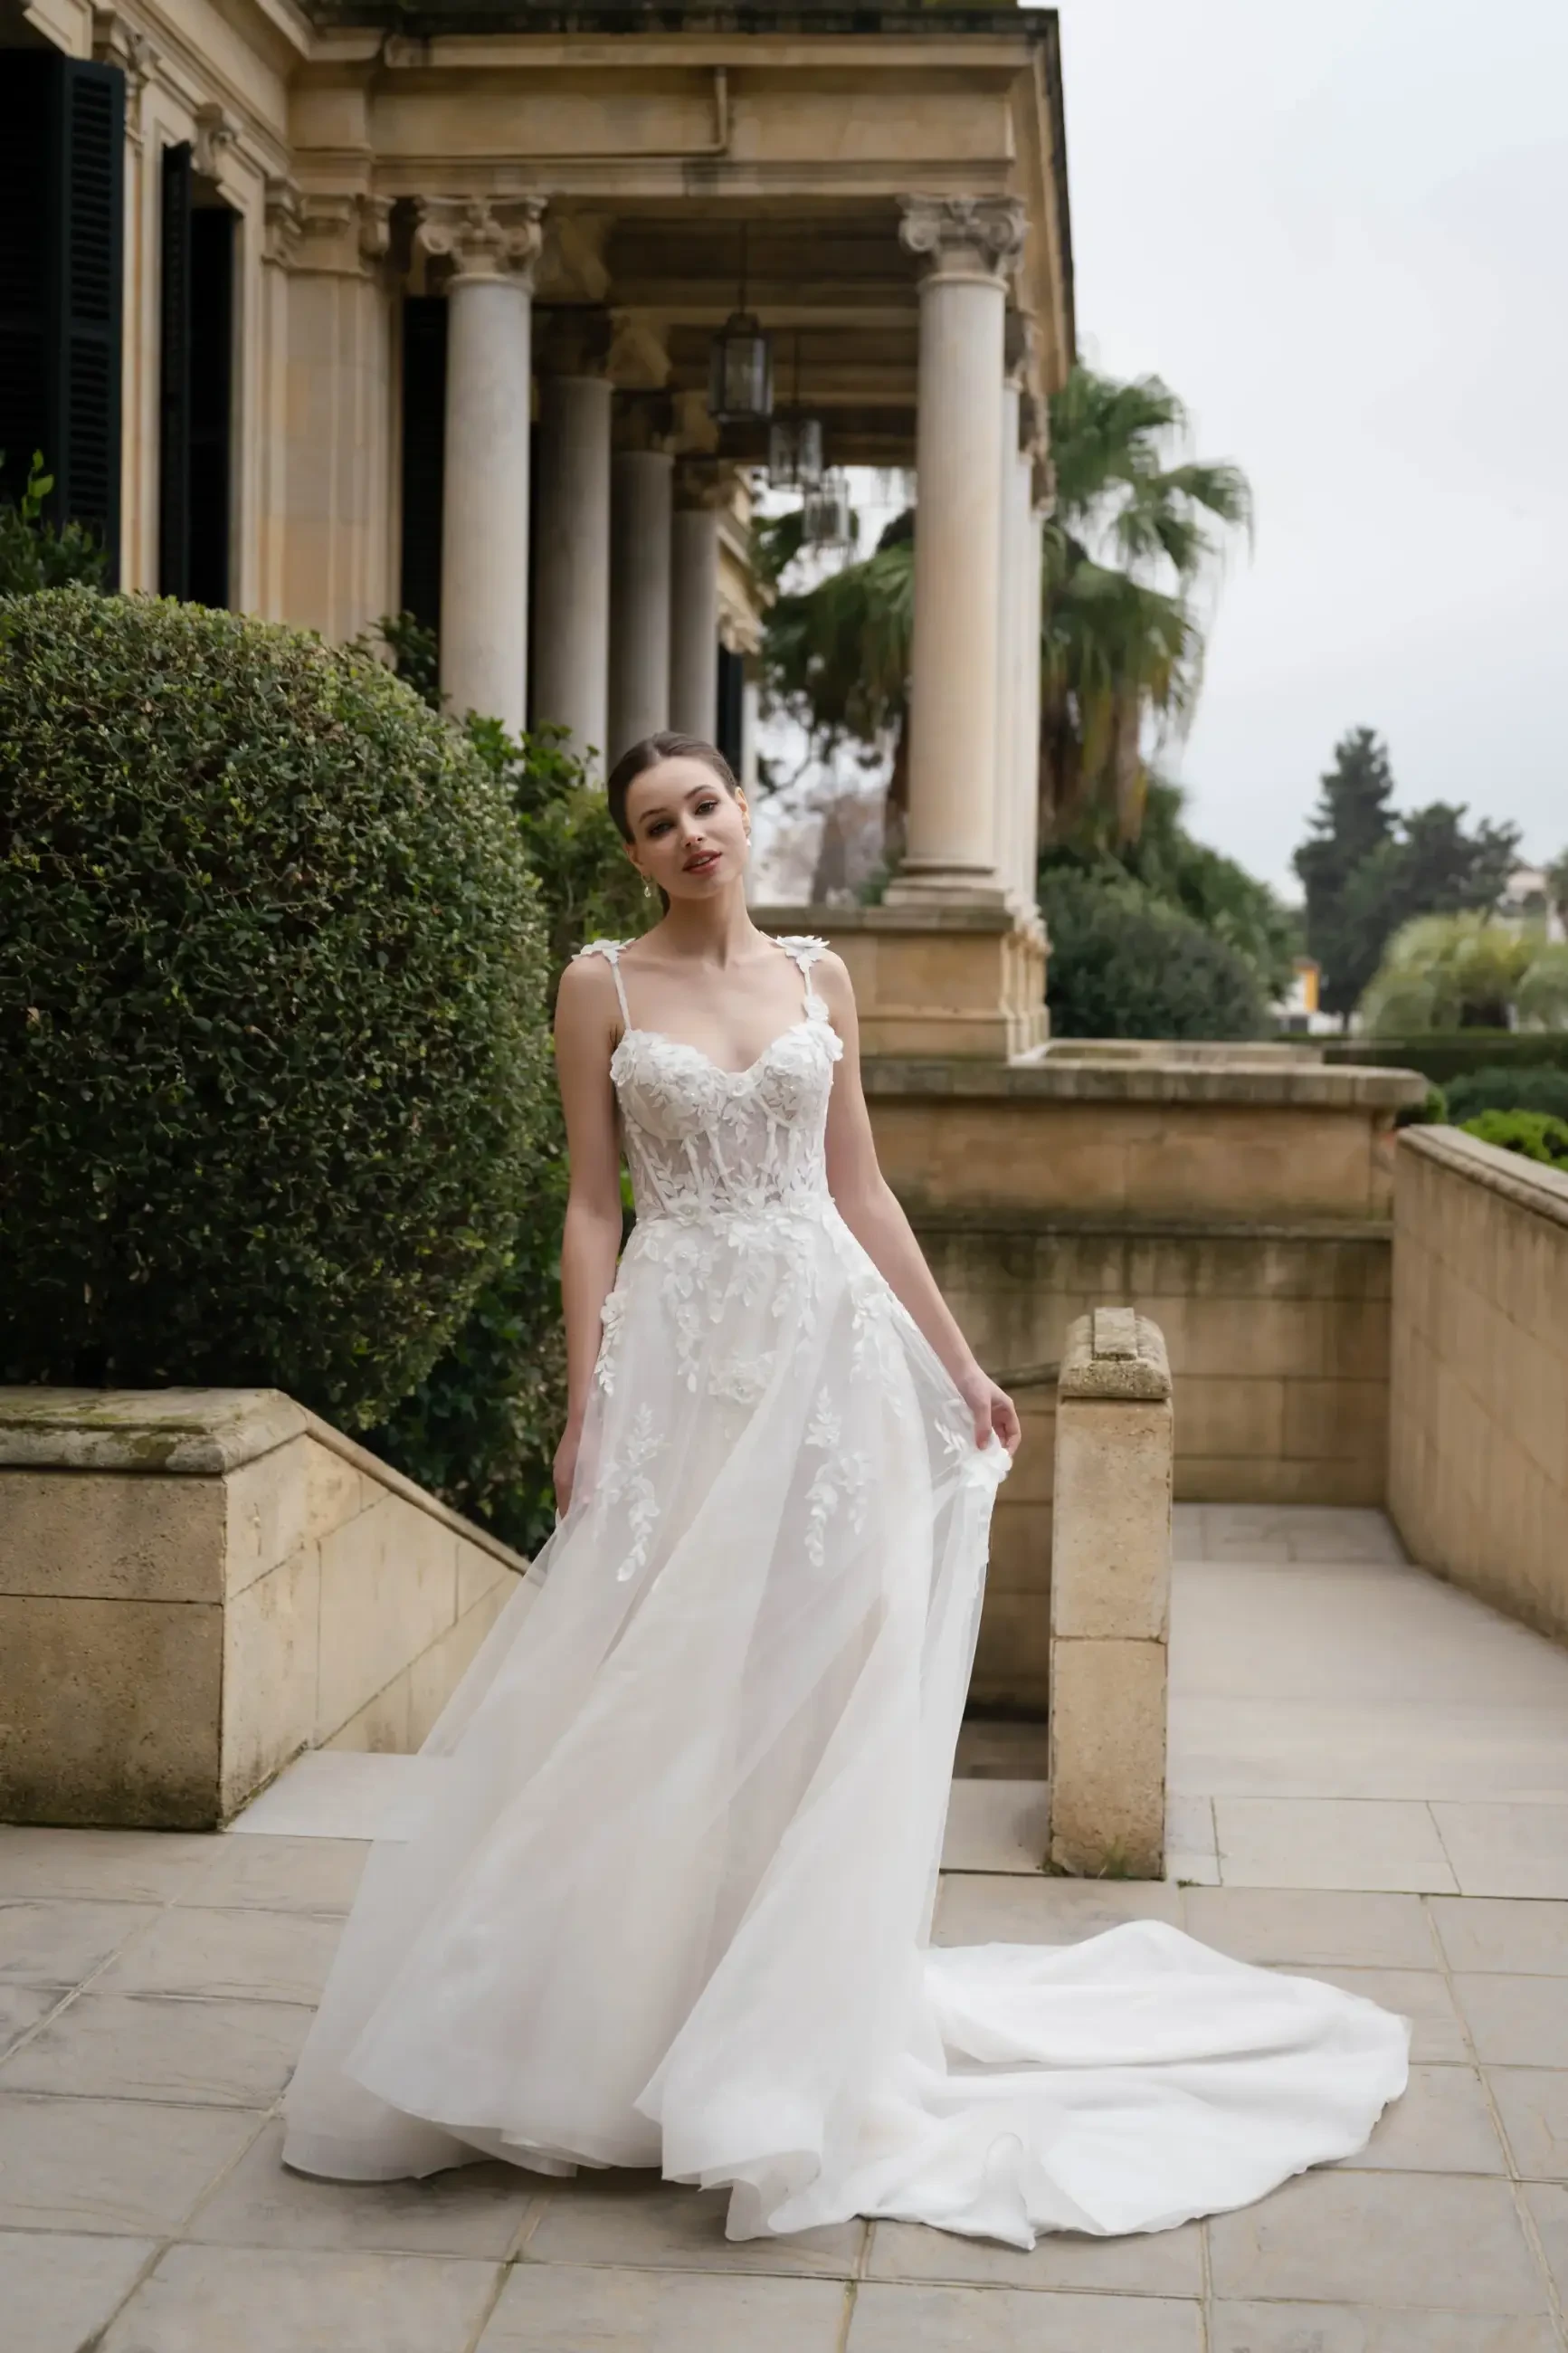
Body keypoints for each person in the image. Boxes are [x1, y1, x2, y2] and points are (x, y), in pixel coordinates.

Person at [281, 732, 1408, 2247]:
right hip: (682, 1368)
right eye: (655, 823)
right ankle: (616, 2023)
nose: (689, 835)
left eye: (704, 805)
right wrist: (587, 1401)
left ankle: (787, 2028)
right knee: (666, 1691)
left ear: (744, 813)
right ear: (632, 854)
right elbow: (588, 1205)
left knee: (823, 1691)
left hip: (833, 1363)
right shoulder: (600, 985)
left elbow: (861, 1188)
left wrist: (961, 1369)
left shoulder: (822, 979)